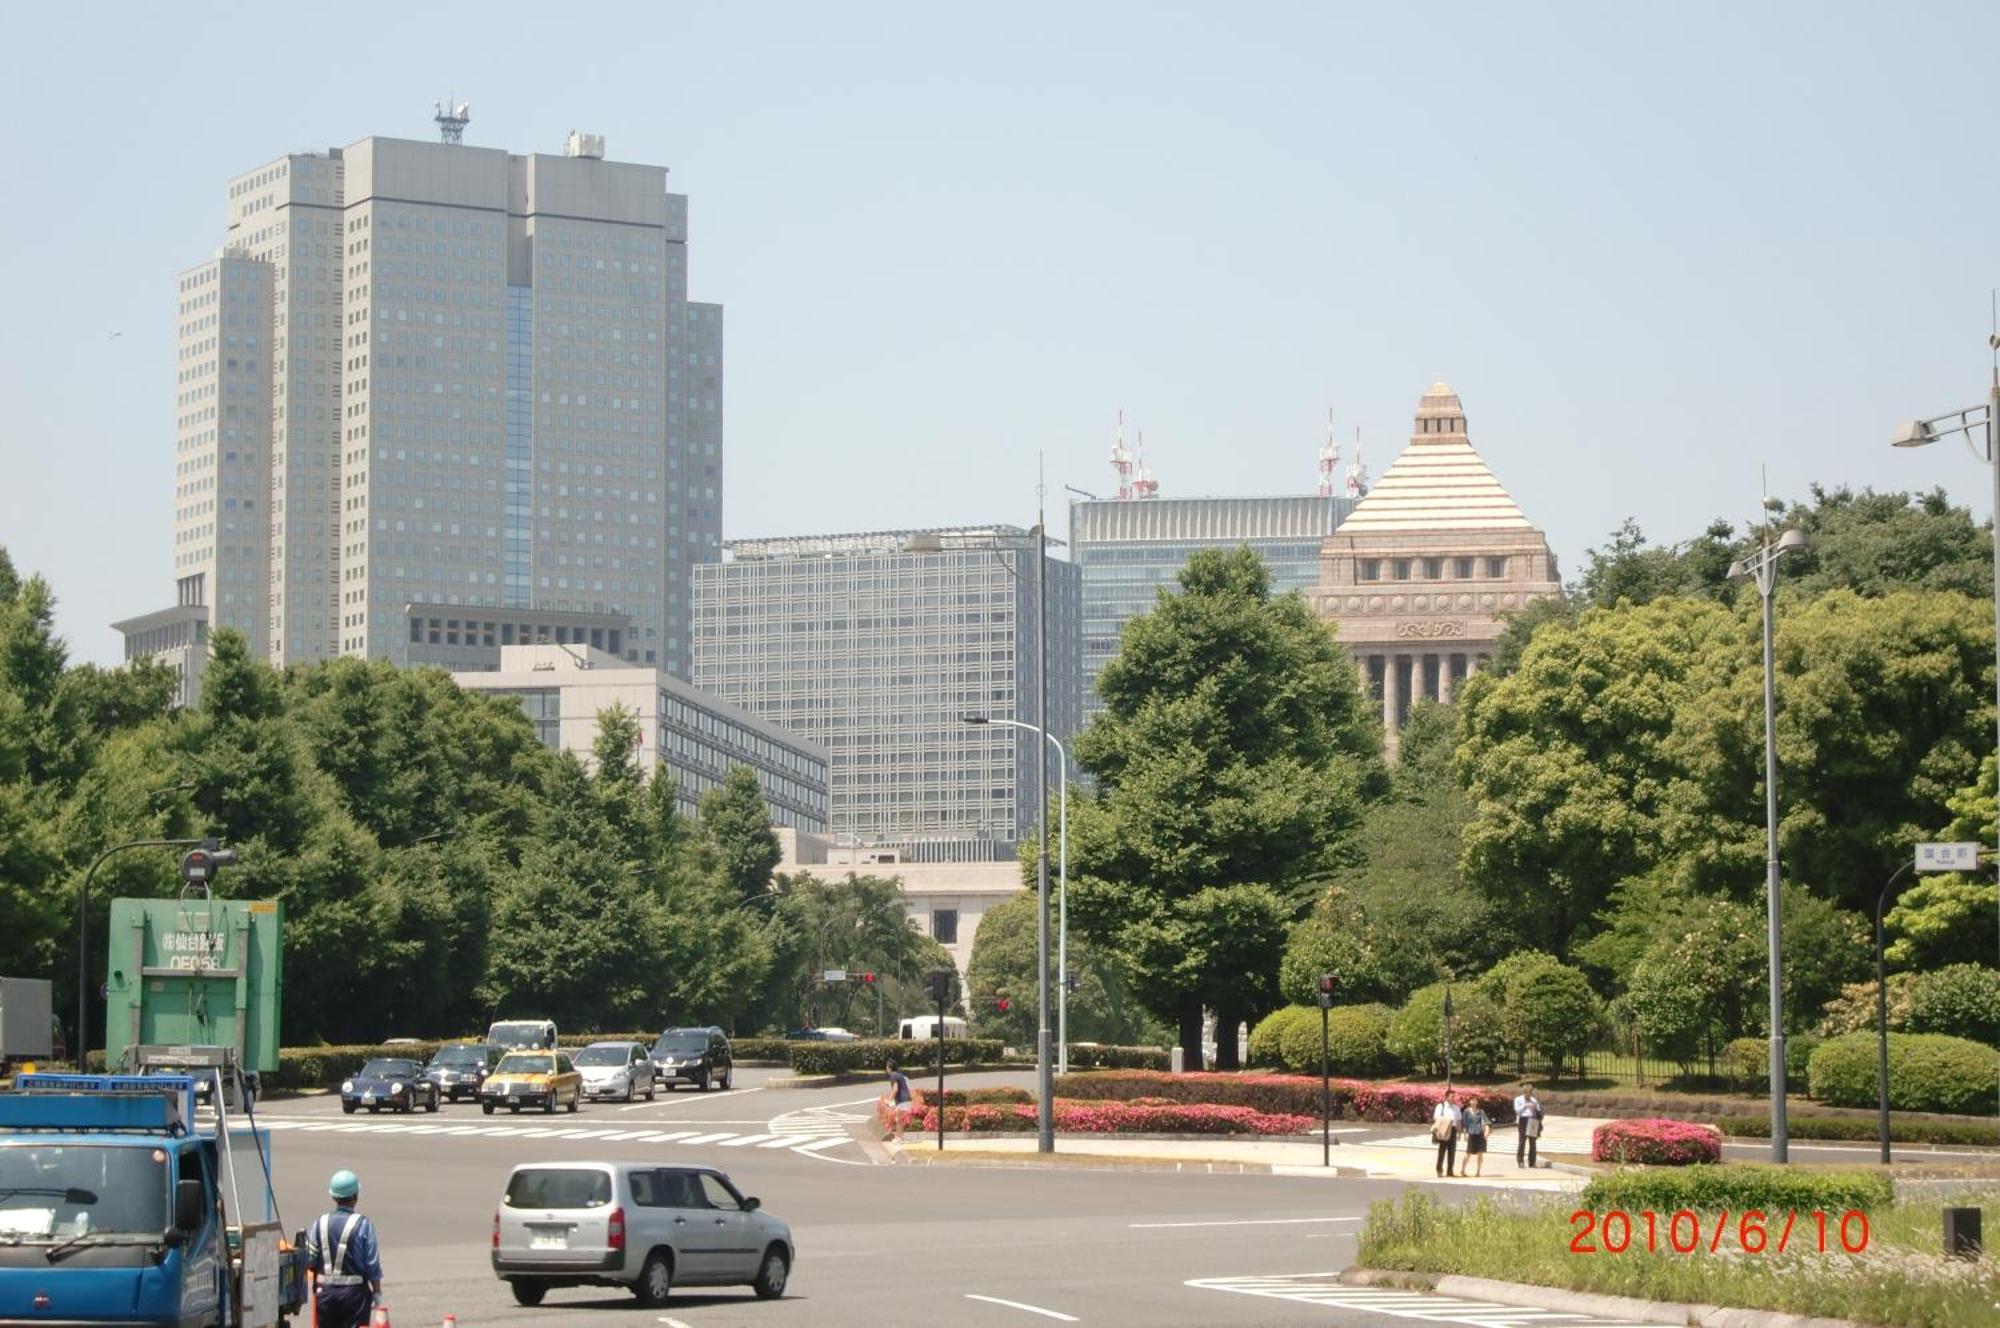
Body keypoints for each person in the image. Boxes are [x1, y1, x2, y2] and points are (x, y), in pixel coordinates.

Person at [304, 1168, 382, 1328]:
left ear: (333, 1196)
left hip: (325, 1294)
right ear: (355, 1196)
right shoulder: (363, 1225)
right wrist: (377, 1292)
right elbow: (372, 1263)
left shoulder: (320, 1223)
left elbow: (310, 1259)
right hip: (354, 1296)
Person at [1431, 1088, 1462, 1178]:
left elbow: (1459, 1120)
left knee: (1452, 1151)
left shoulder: (1456, 1108)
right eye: (1452, 1096)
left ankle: (1450, 1170)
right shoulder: (1441, 1106)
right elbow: (1436, 1118)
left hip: (1453, 1130)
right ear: (1447, 1097)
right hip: (1444, 1130)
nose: (1453, 1098)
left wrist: (1459, 1132)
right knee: (1442, 1151)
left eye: (1454, 1096)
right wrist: (1447, 1121)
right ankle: (1439, 1169)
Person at [883, 1061, 914, 1141]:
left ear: (889, 1068)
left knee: (898, 1119)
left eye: (887, 1067)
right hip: (907, 1099)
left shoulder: (893, 1076)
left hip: (902, 1100)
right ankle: (901, 1137)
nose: (886, 1069)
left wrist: (889, 1100)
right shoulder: (900, 1075)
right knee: (900, 1119)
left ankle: (898, 1138)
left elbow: (895, 1089)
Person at [1461, 1099, 1490, 1176]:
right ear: (1470, 1102)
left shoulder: (1481, 1111)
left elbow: (1486, 1121)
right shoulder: (1466, 1111)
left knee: (1480, 1153)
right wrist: (1465, 1134)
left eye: (1475, 1101)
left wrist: (1487, 1132)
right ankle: (1463, 1170)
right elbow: (1464, 1124)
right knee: (1468, 1153)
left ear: (1477, 1102)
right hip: (1471, 1134)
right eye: (1472, 1101)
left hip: (1480, 1134)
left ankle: (1478, 1171)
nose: (1473, 1102)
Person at [1518, 1085, 1544, 1169]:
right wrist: (1525, 1106)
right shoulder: (1518, 1099)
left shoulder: (1534, 1100)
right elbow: (1517, 1110)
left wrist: (1535, 1109)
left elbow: (1539, 1111)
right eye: (1527, 1093)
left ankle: (1532, 1162)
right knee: (1522, 1142)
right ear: (1524, 1092)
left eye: (1530, 1093)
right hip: (1523, 1120)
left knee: (1533, 1142)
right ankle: (1520, 1161)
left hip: (1532, 1120)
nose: (1529, 1095)